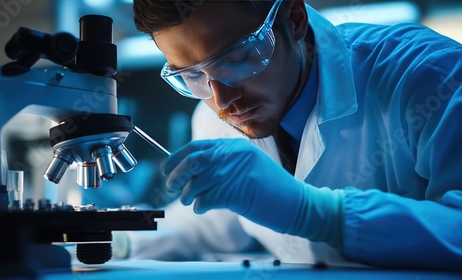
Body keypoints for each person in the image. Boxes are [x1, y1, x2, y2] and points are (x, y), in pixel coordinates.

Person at [114, 0, 462, 269]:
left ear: (294, 19)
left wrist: (316, 213)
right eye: (192, 76)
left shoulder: (427, 76)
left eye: (237, 57)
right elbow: (212, 223)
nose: (221, 100)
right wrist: (117, 243)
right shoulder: (212, 113)